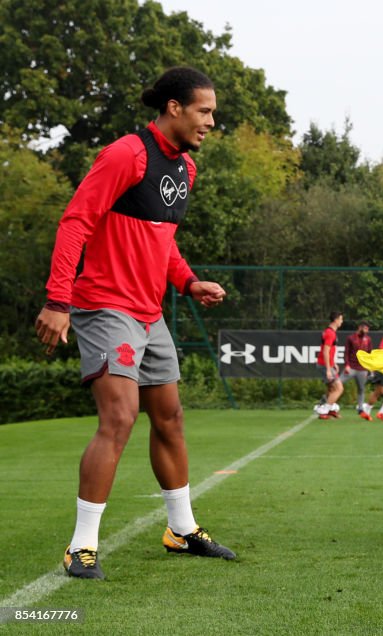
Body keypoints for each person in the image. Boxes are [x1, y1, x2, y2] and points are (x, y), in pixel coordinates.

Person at [34, 67, 236, 579]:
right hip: (105, 306)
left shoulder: (185, 169)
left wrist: (188, 282)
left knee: (170, 418)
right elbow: (77, 221)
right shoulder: (126, 153)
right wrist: (59, 299)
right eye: (204, 110)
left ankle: (182, 530)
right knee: (120, 418)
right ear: (174, 108)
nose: (212, 121)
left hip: (150, 312)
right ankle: (81, 547)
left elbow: (161, 240)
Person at [314, 312, 345, 420]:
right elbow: (325, 352)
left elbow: (329, 350)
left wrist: (334, 363)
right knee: (339, 388)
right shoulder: (330, 333)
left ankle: (330, 410)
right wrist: (328, 369)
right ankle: (324, 410)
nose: (342, 321)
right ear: (336, 320)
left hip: (327, 364)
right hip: (324, 365)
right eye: (341, 319)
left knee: (332, 388)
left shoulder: (330, 332)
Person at [343, 321, 373, 420]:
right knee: (337, 384)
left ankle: (360, 409)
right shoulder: (351, 338)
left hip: (362, 369)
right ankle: (326, 404)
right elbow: (346, 353)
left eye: (367, 329)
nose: (366, 331)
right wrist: (347, 365)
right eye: (365, 328)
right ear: (360, 327)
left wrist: (370, 368)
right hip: (351, 367)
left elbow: (369, 354)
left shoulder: (368, 339)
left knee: (361, 389)